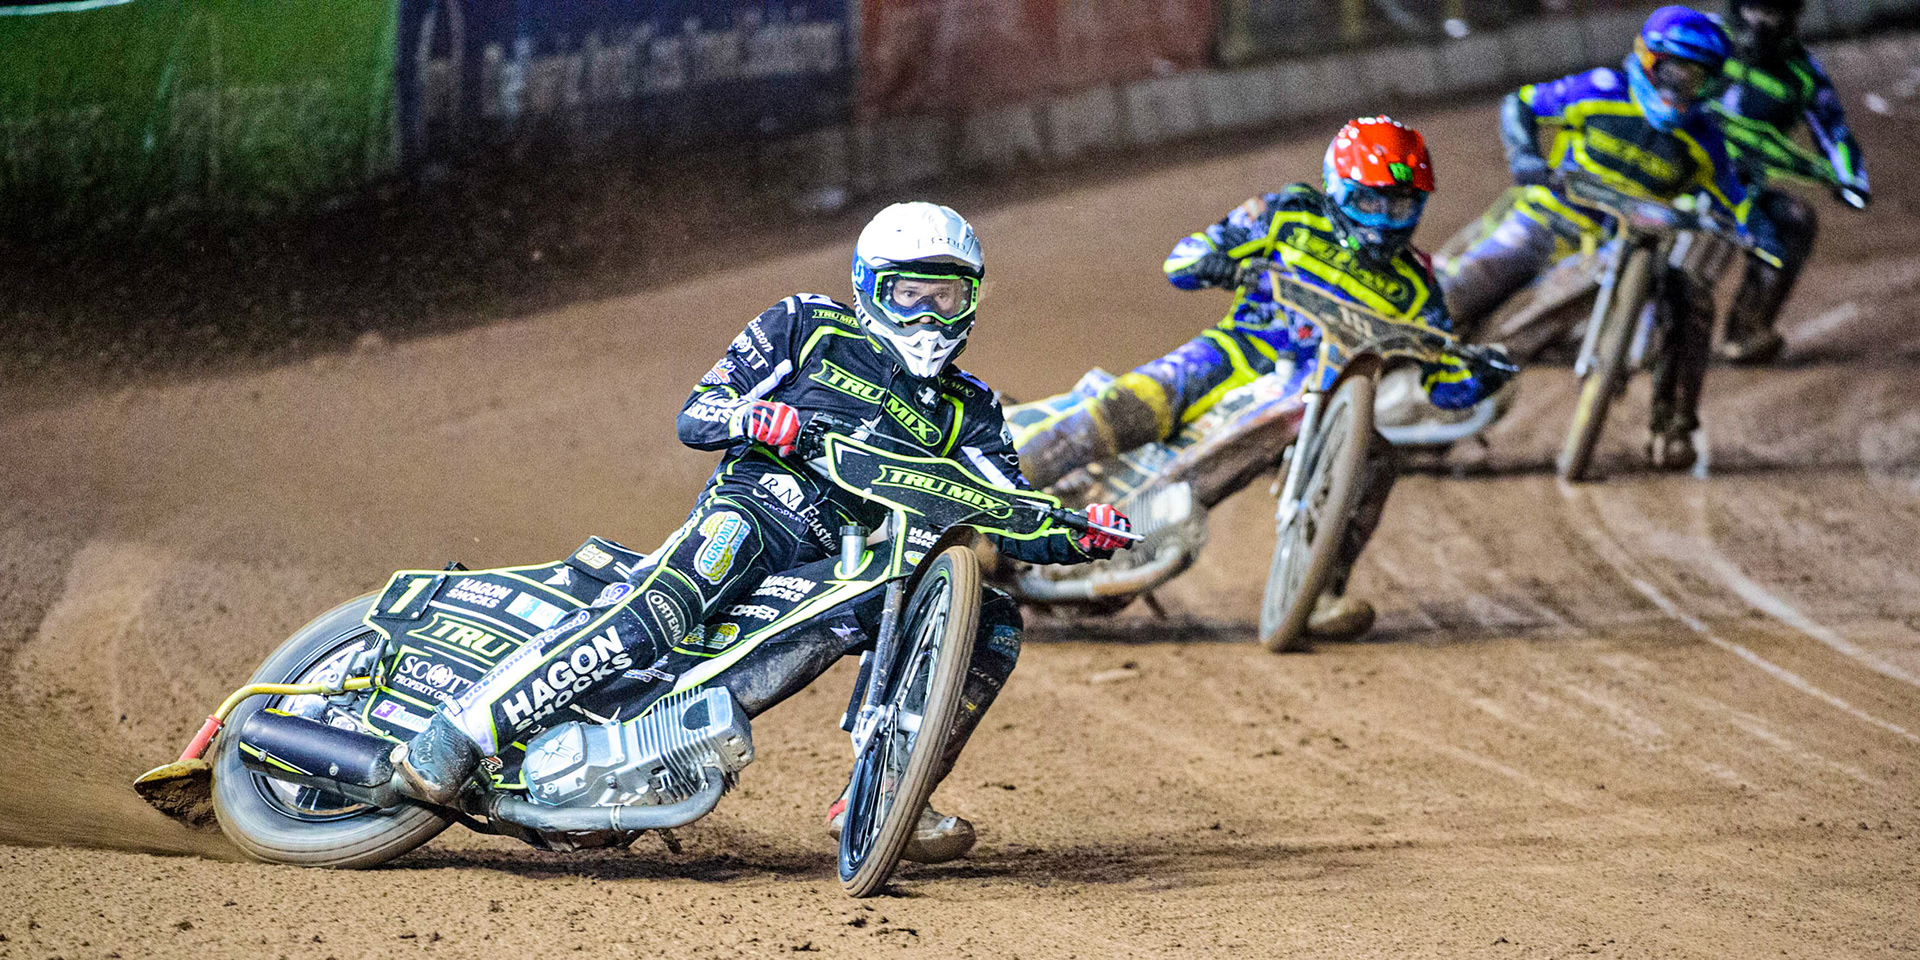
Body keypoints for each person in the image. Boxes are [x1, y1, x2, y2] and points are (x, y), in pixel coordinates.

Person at [392, 201, 1133, 864]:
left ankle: (881, 797)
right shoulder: (807, 323)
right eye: (910, 295)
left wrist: (1084, 534)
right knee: (667, 605)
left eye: (946, 297)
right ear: (872, 288)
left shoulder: (970, 409)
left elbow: (1012, 506)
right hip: (755, 511)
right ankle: (461, 733)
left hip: (846, 567)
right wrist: (753, 418)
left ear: (970, 301)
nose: (929, 318)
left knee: (995, 623)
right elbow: (698, 412)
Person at [1015, 117, 1512, 641]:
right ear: (1339, 188)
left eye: (1402, 204)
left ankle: (1319, 591)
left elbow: (1445, 385)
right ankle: (992, 487)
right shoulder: (1291, 214)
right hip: (1232, 354)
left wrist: (1482, 375)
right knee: (1133, 403)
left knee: (1378, 457)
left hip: (1312, 403)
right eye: (1371, 201)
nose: (1385, 219)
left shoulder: (1418, 288)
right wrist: (1215, 255)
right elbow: (1185, 262)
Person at [1437, 6, 1782, 469]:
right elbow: (1521, 103)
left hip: (1634, 247)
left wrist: (1755, 229)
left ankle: (1672, 427)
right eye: (1675, 71)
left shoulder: (1706, 140)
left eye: (1697, 79)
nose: (1682, 87)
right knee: (1466, 286)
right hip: (1551, 220)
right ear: (1647, 59)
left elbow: (1735, 199)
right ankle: (1403, 365)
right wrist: (1524, 157)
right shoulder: (1599, 90)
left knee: (1692, 299)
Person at [1714, 0, 1870, 363]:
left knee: (1794, 220)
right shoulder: (1704, 36)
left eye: (1774, 12)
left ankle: (1748, 327)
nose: (1763, 22)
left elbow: (1833, 129)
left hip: (1742, 182)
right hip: (1672, 160)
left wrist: (1851, 179)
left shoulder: (1802, 70)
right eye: (1756, 9)